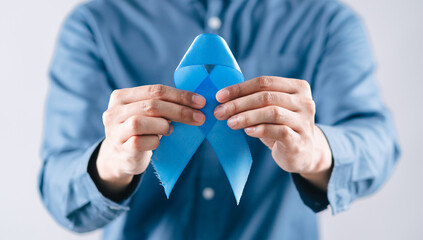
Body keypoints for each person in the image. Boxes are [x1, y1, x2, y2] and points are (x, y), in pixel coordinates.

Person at [39, 0, 400, 239]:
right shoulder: (95, 24)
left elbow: (378, 143)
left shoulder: (326, 22)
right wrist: (109, 164)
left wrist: (317, 152)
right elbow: (59, 187)